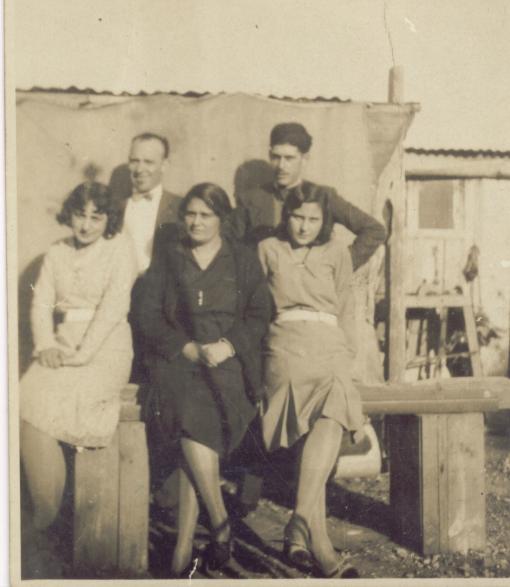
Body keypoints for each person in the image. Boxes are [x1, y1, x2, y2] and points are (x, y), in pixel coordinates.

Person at [226, 121, 386, 514]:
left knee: (324, 401)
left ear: (304, 158)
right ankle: (253, 484)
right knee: (259, 388)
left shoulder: (323, 197)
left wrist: (329, 272)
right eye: (275, 156)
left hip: (316, 322)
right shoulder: (253, 200)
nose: (281, 165)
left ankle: (313, 493)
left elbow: (373, 230)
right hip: (270, 314)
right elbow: (230, 248)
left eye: (289, 157)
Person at [139, 183, 271, 576]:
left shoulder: (242, 260)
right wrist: (186, 348)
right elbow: (147, 314)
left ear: (221, 219)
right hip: (181, 363)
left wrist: (228, 346)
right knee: (191, 414)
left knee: (195, 430)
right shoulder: (169, 258)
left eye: (205, 215)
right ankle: (219, 525)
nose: (196, 222)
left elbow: (259, 314)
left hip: (229, 365)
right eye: (190, 214)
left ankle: (185, 545)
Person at [257, 183, 364, 578]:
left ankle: (305, 528)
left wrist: (348, 356)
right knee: (315, 418)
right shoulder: (268, 249)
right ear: (286, 216)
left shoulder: (337, 252)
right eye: (297, 217)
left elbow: (346, 308)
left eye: (313, 219)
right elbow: (257, 308)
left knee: (333, 409)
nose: (304, 226)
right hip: (285, 345)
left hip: (330, 344)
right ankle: (311, 535)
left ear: (325, 221)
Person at [20, 181, 137, 532]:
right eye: (79, 215)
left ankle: (46, 517)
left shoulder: (119, 249)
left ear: (108, 220)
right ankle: (46, 512)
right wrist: (46, 345)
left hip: (107, 347)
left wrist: (83, 355)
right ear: (69, 215)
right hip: (62, 342)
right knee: (25, 401)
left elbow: (114, 307)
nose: (85, 226)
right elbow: (41, 303)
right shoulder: (57, 252)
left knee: (55, 402)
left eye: (95, 218)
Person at [120, 132, 182, 384]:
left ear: (164, 165)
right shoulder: (115, 208)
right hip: (122, 303)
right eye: (134, 161)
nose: (140, 169)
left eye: (149, 162)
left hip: (164, 310)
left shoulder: (182, 207)